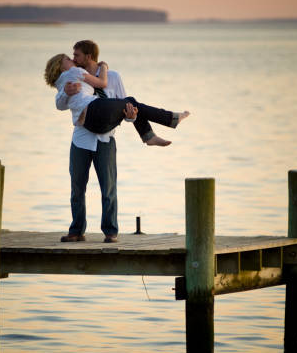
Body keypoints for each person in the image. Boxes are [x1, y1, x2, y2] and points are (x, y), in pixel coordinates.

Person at [50, 40, 127, 244]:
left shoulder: (113, 77)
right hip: (81, 140)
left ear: (88, 56)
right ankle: (77, 230)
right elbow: (59, 105)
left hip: (105, 140)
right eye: (72, 56)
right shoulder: (74, 77)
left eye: (76, 55)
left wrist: (132, 116)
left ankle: (111, 232)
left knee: (108, 188)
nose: (74, 59)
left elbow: (124, 109)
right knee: (77, 188)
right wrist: (66, 92)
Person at [45, 53, 189, 146]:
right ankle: (165, 123)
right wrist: (104, 67)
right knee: (130, 101)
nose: (73, 60)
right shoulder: (74, 72)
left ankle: (153, 132)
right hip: (93, 113)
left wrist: (65, 92)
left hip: (97, 127)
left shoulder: (61, 83)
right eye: (69, 59)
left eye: (75, 56)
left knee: (130, 103)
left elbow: (59, 104)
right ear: (60, 66)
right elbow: (102, 83)